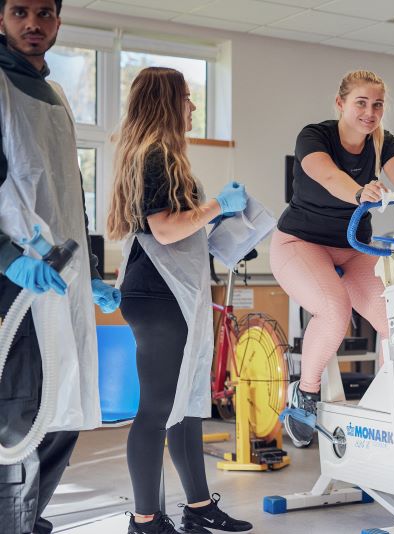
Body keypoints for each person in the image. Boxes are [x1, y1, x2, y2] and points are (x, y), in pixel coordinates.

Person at [107, 67, 252, 534]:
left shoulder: (164, 157)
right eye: (187, 99)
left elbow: (172, 226)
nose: (192, 107)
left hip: (174, 292)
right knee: (156, 408)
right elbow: (165, 228)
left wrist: (221, 228)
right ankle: (146, 520)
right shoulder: (154, 156)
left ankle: (197, 506)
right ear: (168, 103)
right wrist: (216, 209)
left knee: (187, 403)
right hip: (158, 295)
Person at [272, 70, 394, 448]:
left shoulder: (383, 142)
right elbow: (329, 176)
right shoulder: (314, 136)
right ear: (341, 104)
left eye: (378, 105)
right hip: (300, 243)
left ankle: (389, 405)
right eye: (361, 103)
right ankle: (305, 390)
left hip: (354, 248)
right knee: (335, 310)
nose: (370, 113)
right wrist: (360, 193)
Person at [0, 1, 120, 532]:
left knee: (65, 408)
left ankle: (31, 519)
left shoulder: (58, 98)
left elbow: (71, 196)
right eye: (19, 11)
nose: (34, 24)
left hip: (62, 279)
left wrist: (91, 271)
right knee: (21, 417)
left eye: (45, 13)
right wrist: (9, 261)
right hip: (14, 288)